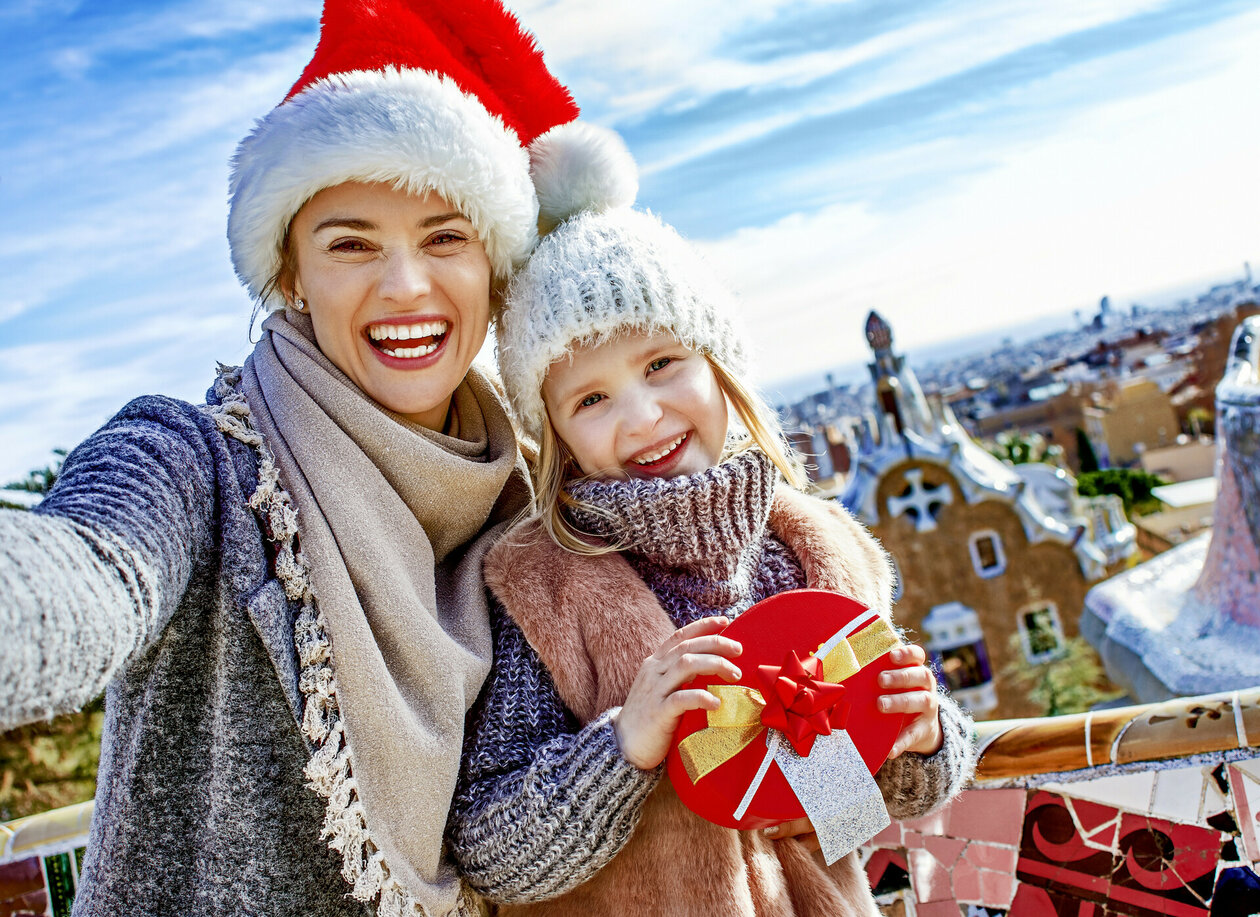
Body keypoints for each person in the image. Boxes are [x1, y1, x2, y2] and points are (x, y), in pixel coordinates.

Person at [0, 1, 636, 915]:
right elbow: (89, 575)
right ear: (291, 272)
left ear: (492, 266)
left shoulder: (536, 505)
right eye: (351, 244)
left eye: (444, 237)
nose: (405, 285)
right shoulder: (203, 465)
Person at [447, 199, 976, 915]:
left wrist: (921, 741)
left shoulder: (815, 554)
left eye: (662, 363)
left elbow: (855, 817)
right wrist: (623, 748)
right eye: (592, 398)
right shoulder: (542, 591)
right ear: (559, 435)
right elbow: (490, 853)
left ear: (719, 364)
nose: (642, 416)